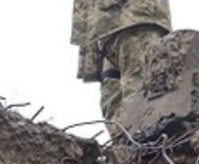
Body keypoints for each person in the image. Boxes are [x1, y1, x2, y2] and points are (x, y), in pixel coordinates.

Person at [71, 0, 172, 133]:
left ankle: (144, 142)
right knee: (113, 104)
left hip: (135, 19)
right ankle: (126, 148)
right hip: (104, 34)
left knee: (139, 93)